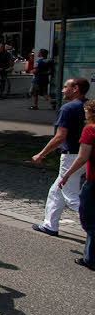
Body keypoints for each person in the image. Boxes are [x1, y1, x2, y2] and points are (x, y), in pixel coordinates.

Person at [32, 77, 90, 236]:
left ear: (75, 88)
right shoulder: (90, 107)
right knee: (56, 191)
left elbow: (60, 136)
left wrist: (41, 154)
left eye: (66, 87)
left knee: (71, 196)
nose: (63, 90)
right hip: (87, 154)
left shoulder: (68, 108)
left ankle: (92, 226)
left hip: (71, 156)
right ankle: (50, 225)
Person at [54, 99, 95, 270]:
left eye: (86, 111)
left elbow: (83, 157)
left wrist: (67, 175)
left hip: (93, 182)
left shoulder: (90, 130)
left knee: (89, 219)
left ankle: (91, 258)